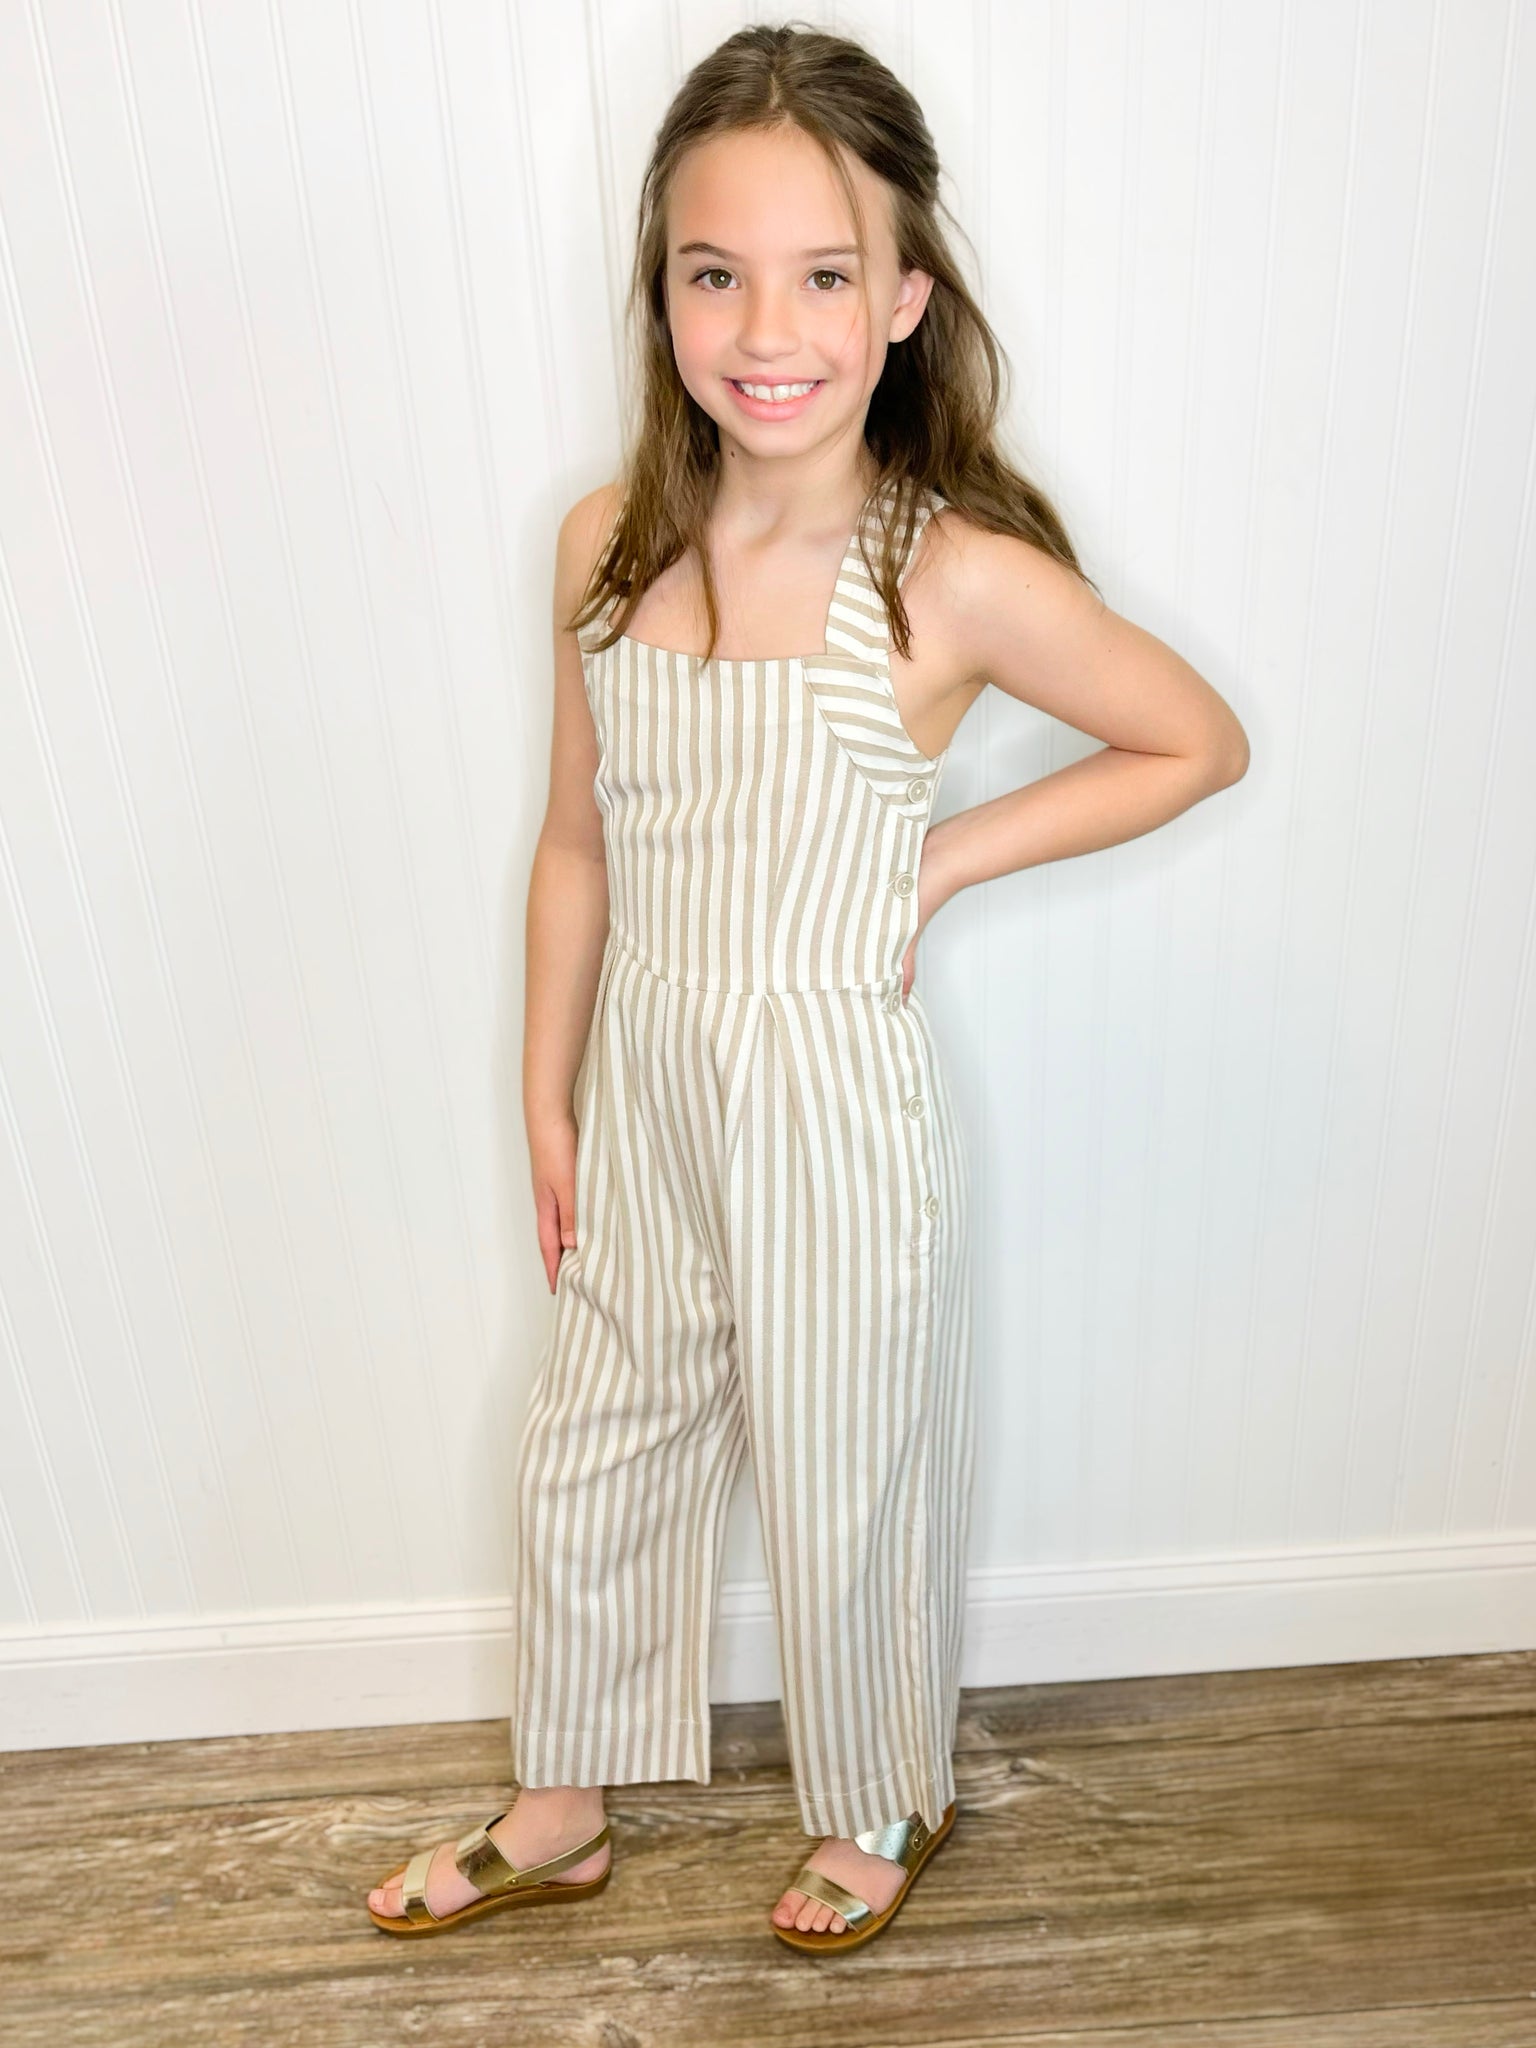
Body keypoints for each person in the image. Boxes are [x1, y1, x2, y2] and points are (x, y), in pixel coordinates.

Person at [368, 21, 1248, 1952]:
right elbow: (578, 842)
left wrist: (938, 858)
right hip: (651, 1083)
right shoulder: (609, 549)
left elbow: (1195, 739)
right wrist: (545, 1087)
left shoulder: (943, 573)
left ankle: (884, 1794)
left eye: (825, 275)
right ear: (661, 290)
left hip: (831, 1101)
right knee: (592, 1441)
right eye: (717, 273)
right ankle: (563, 1802)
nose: (767, 329)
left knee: (849, 1463)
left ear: (905, 297)